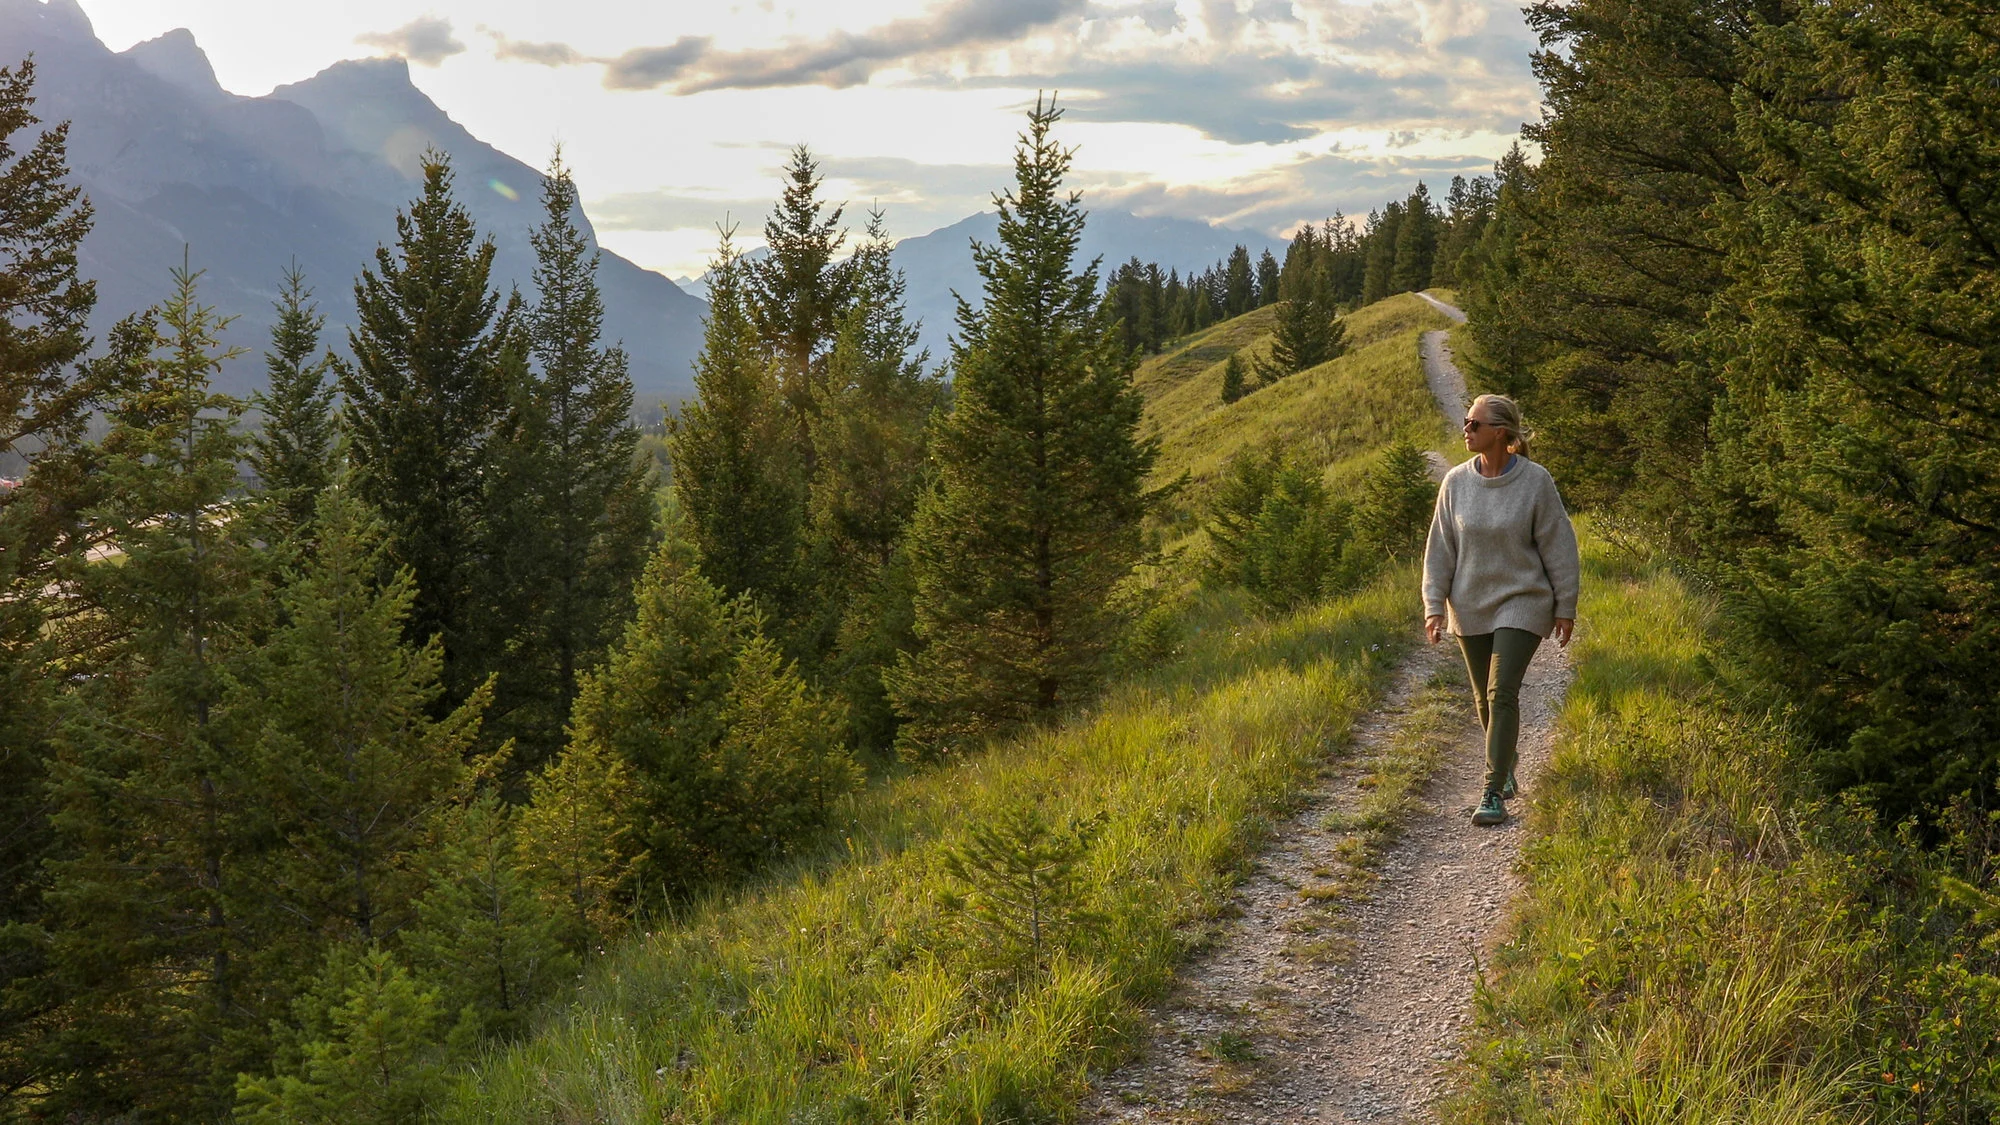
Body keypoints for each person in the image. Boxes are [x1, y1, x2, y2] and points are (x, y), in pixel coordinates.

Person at [1421, 393, 1580, 827]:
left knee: (1501, 691)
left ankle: (1492, 793)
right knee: (1482, 699)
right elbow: (1440, 550)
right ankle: (1505, 763)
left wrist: (1564, 606)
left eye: (1475, 424)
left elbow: (1559, 546)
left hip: (1523, 600)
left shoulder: (1535, 481)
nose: (1466, 430)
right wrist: (1434, 606)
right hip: (1469, 603)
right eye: (1466, 422)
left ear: (1501, 432)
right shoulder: (1455, 482)